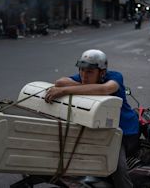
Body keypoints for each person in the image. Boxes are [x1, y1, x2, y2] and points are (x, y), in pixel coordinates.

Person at [44, 49, 140, 188]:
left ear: (102, 72)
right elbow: (60, 82)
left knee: (116, 167)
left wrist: (66, 91)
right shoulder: (84, 78)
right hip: (99, 129)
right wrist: (86, 87)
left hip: (123, 132)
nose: (84, 75)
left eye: (89, 72)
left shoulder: (115, 77)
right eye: (81, 70)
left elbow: (106, 89)